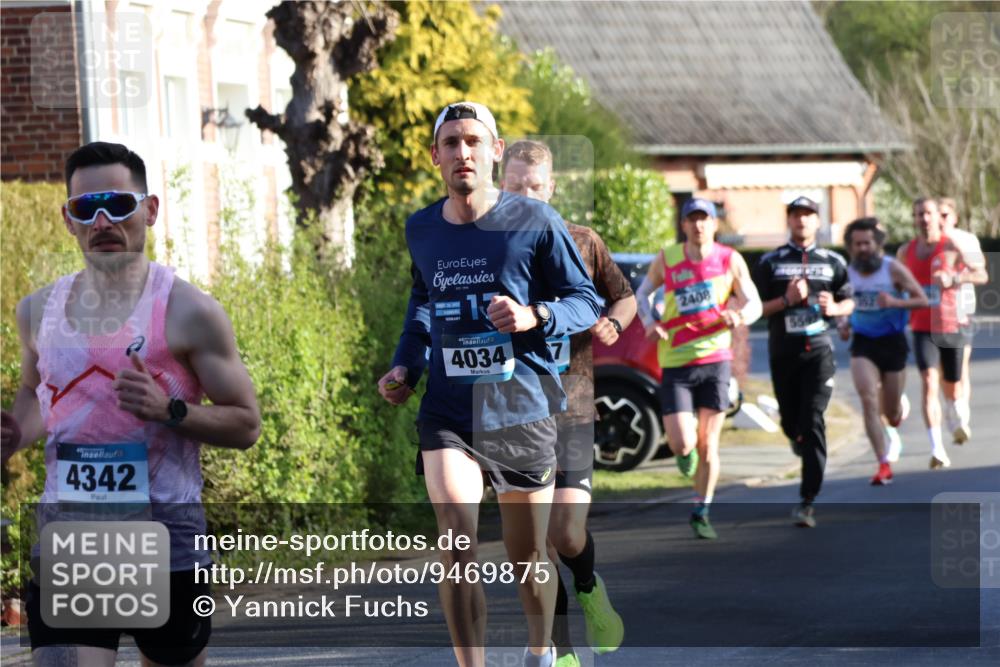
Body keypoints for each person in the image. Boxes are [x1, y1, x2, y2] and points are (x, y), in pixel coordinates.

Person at [0, 142, 261, 667]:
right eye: (85, 208)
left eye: (118, 205)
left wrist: (172, 410)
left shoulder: (190, 311)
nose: (102, 221)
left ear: (150, 210)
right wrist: (12, 433)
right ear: (67, 220)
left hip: (165, 539)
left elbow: (246, 423)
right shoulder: (37, 311)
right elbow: (35, 396)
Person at [378, 103, 601, 667]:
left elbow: (586, 300)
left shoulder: (535, 220)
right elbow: (423, 307)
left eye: (474, 141)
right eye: (450, 143)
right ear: (436, 157)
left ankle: (541, 650)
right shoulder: (421, 228)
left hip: (519, 405)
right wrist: (407, 366)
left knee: (527, 555)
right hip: (449, 411)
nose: (463, 152)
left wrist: (535, 316)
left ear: (495, 151)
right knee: (456, 544)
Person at [501, 139, 634, 667]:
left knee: (566, 532)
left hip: (573, 408)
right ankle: (559, 651)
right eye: (515, 187)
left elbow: (622, 294)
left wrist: (613, 322)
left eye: (536, 187)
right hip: (512, 411)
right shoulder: (487, 247)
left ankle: (589, 586)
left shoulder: (581, 241)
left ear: (552, 188)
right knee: (536, 545)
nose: (527, 196)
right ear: (501, 186)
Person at [635, 198, 761, 540]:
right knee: (681, 442)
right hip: (676, 359)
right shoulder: (668, 258)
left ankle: (701, 509)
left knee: (709, 443)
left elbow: (754, 303)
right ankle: (683, 454)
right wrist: (650, 322)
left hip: (715, 358)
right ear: (684, 224)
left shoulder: (729, 259)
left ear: (714, 224)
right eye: (692, 219)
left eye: (704, 218)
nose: (698, 225)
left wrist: (739, 316)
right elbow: (643, 294)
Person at [753, 196, 854, 528]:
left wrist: (835, 309)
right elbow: (754, 309)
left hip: (820, 352)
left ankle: (807, 499)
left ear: (817, 221)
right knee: (791, 423)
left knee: (813, 418)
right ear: (789, 221)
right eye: (797, 215)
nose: (802, 221)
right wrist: (786, 300)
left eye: (808, 215)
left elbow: (848, 300)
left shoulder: (834, 261)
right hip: (783, 351)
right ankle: (798, 439)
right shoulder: (771, 262)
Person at [837, 218, 927, 485]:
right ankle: (883, 463)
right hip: (863, 342)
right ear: (851, 248)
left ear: (877, 245)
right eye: (857, 244)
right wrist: (842, 324)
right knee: (867, 399)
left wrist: (895, 301)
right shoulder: (845, 274)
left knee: (891, 413)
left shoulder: (893, 269)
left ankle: (898, 409)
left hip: (892, 341)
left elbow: (921, 299)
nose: (863, 248)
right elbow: (841, 305)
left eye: (868, 243)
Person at [898, 198, 987, 467]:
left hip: (951, 323)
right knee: (928, 383)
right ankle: (937, 448)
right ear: (914, 219)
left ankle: (955, 410)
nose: (924, 219)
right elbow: (897, 280)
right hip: (922, 325)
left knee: (954, 382)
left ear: (938, 216)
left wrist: (956, 279)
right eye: (918, 214)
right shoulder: (906, 250)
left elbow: (981, 273)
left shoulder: (952, 244)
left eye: (928, 213)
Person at [937, 197, 987, 439]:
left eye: (945, 215)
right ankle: (950, 405)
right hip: (933, 314)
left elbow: (980, 271)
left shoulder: (966, 239)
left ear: (954, 217)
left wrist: (956, 278)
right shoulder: (926, 243)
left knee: (961, 365)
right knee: (939, 369)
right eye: (936, 214)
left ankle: (961, 415)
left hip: (961, 309)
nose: (940, 220)